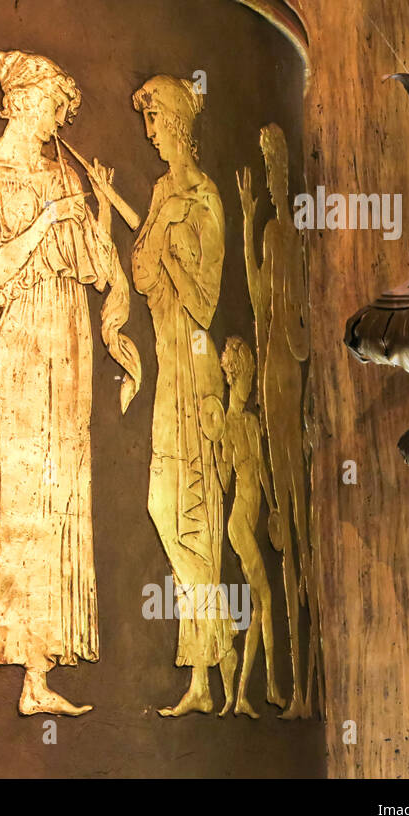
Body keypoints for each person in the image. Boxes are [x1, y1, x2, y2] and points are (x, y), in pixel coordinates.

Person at [0, 48, 139, 717]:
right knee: (15, 502)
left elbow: (95, 270)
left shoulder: (61, 174)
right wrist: (47, 220)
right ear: (16, 102)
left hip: (67, 334)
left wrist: (94, 215)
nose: (53, 119)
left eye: (58, 109)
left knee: (61, 500)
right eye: (46, 105)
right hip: (22, 336)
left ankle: (37, 676)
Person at [128, 74, 236, 717]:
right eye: (147, 122)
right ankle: (205, 661)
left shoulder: (204, 197)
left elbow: (204, 301)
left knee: (195, 519)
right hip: (171, 371)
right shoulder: (165, 192)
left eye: (157, 121)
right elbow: (141, 273)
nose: (150, 133)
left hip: (196, 373)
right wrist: (157, 231)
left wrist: (168, 240)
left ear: (180, 124)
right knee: (163, 509)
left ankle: (204, 677)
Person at [237, 123, 312, 718]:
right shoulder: (268, 231)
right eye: (269, 170)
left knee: (300, 544)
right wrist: (244, 219)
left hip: (288, 400)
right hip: (270, 397)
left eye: (277, 167)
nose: (273, 179)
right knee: (284, 537)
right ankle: (296, 690)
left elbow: (299, 335)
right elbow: (261, 302)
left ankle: (307, 685)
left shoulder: (291, 238)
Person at [215, 335, 282, 717]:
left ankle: (244, 694)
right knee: (266, 600)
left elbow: (261, 473)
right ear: (233, 378)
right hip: (239, 524)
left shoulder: (251, 422)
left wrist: (274, 509)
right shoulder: (226, 424)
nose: (247, 384)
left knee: (260, 606)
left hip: (255, 518)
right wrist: (216, 449)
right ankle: (270, 685)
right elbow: (226, 483)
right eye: (243, 378)